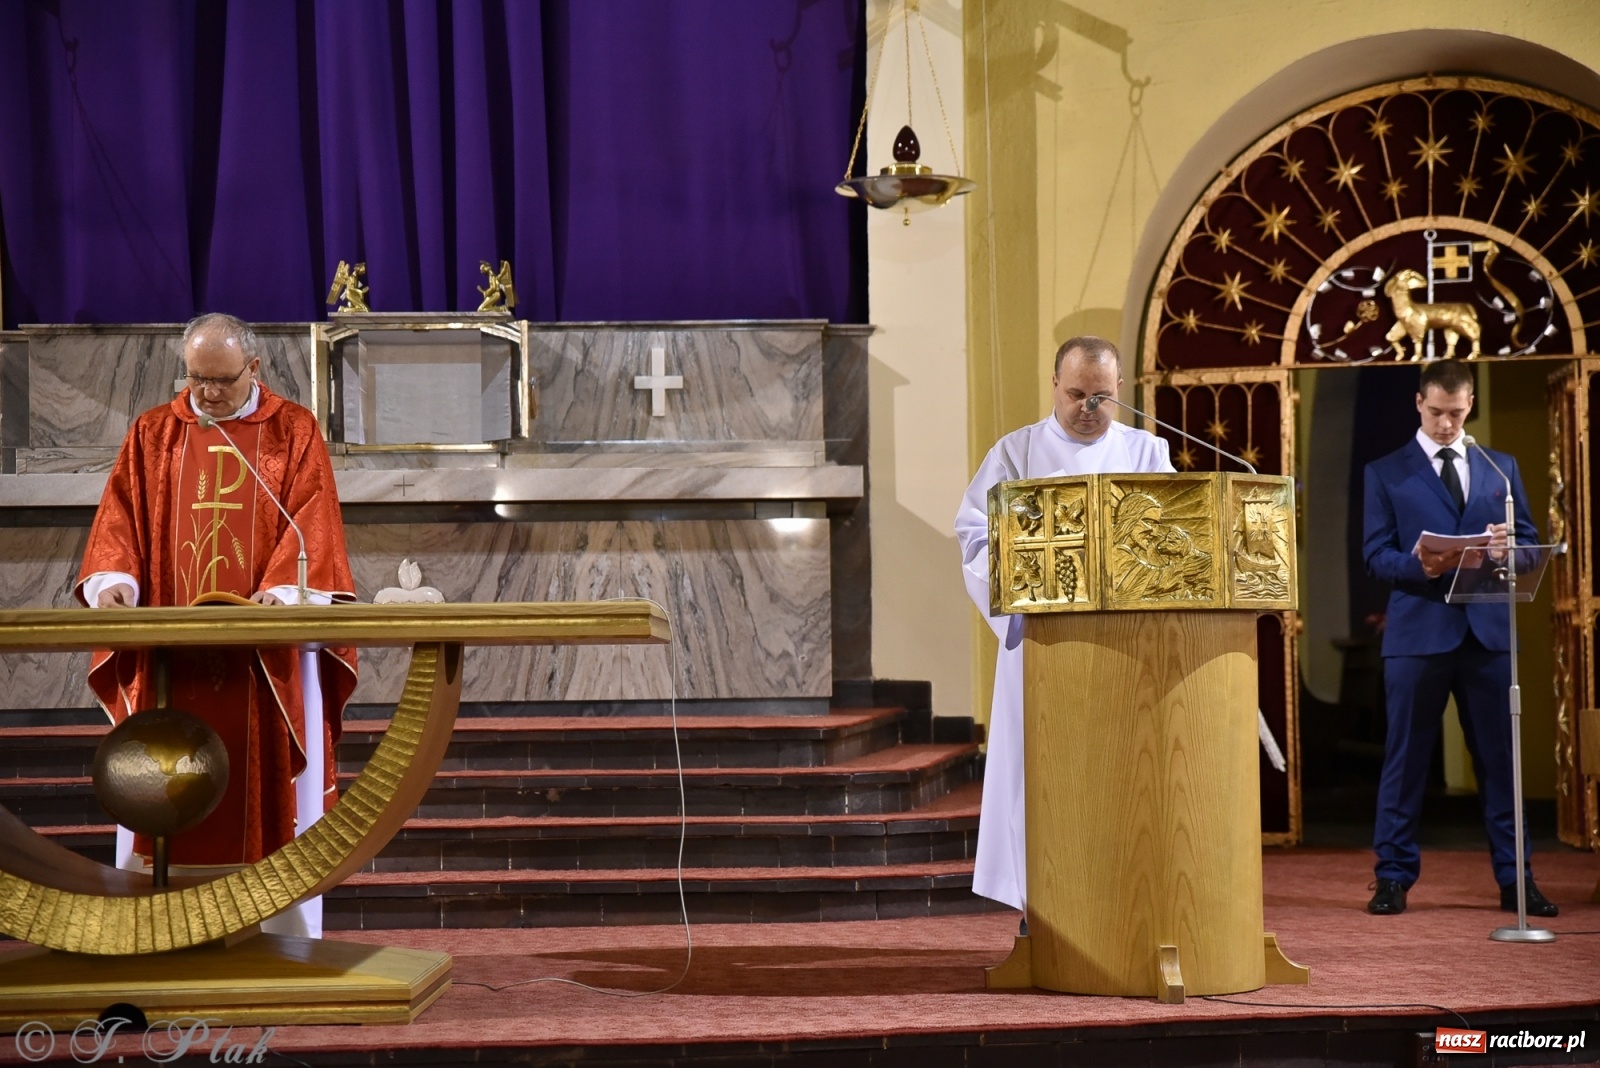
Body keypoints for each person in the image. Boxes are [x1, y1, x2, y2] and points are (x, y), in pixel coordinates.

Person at [75, 312, 358, 937]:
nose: (206, 394)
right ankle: (158, 929)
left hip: (261, 659)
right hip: (172, 655)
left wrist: (284, 594)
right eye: (196, 378)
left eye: (222, 381)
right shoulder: (154, 434)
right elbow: (118, 522)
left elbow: (312, 520)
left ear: (253, 369)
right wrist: (116, 586)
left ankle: (278, 937)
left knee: (262, 787)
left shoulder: (292, 432)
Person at [954, 336, 1173, 912]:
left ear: (1120, 392)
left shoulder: (1149, 453)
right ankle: (1041, 907)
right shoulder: (1015, 453)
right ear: (1055, 384)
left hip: (1131, 651)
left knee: (1128, 779)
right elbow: (975, 536)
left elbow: (1177, 544)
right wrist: (1025, 593)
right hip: (1044, 648)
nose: (1088, 409)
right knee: (1044, 782)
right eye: (1077, 394)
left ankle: (1130, 902)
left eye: (1101, 397)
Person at [1361, 358, 1554, 917]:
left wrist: (1504, 552)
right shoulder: (1387, 471)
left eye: (1457, 412)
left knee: (1501, 762)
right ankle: (1392, 877)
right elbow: (1375, 556)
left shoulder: (1500, 467)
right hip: (1419, 633)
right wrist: (1422, 566)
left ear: (1470, 405)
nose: (1446, 423)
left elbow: (1528, 544)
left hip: (1488, 635)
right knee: (1405, 762)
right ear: (1418, 403)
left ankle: (1517, 880)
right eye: (1437, 412)